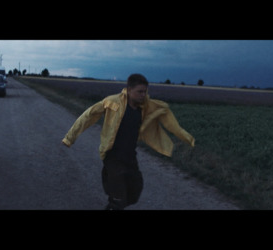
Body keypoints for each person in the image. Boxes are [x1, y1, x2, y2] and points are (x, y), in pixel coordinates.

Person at [62, 73, 195, 210]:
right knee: (119, 198)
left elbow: (170, 123)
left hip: (130, 157)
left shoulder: (145, 108)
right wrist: (70, 137)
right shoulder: (113, 102)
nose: (143, 95)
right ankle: (114, 197)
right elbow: (87, 116)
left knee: (134, 192)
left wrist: (187, 138)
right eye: (139, 92)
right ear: (129, 89)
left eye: (145, 92)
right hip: (112, 155)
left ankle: (113, 197)